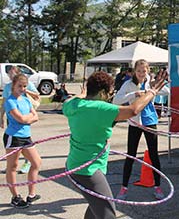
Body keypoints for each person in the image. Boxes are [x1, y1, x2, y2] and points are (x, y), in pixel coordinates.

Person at [63, 69, 168, 219]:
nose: (109, 97)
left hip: (75, 165)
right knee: (108, 215)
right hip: (89, 171)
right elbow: (133, 110)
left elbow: (69, 100)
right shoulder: (100, 108)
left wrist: (81, 94)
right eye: (109, 93)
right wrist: (152, 91)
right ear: (101, 93)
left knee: (94, 211)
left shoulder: (72, 106)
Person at [113, 59, 170, 201]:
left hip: (150, 121)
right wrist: (134, 94)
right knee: (130, 155)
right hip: (134, 122)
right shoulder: (129, 84)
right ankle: (124, 188)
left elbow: (166, 92)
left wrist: (153, 88)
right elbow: (116, 100)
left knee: (154, 154)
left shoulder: (150, 81)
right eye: (138, 71)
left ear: (148, 71)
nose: (141, 73)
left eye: (144, 71)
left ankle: (157, 186)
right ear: (134, 71)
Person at [3, 74, 42, 208]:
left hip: (26, 137)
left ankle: (31, 195)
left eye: (24, 86)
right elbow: (22, 119)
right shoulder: (10, 101)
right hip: (13, 137)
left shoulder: (26, 100)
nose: (22, 88)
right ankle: (15, 197)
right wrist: (29, 118)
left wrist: (29, 118)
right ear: (13, 86)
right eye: (19, 86)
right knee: (12, 167)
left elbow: (36, 116)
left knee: (36, 163)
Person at [1, 66, 40, 174]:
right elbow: (5, 102)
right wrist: (1, 117)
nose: (10, 76)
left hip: (25, 116)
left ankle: (27, 163)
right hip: (13, 120)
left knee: (35, 161)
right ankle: (12, 164)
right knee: (13, 164)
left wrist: (25, 90)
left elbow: (37, 97)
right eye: (9, 74)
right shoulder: (7, 88)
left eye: (12, 74)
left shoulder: (27, 88)